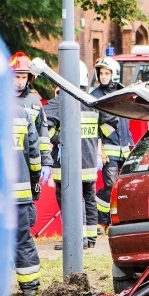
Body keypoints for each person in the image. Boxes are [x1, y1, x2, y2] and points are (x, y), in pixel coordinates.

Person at [43, 60, 100, 249]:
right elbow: (107, 126)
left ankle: (76, 240)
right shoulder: (93, 102)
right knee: (88, 198)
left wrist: (59, 138)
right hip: (89, 161)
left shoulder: (60, 102)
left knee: (70, 200)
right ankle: (90, 238)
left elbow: (43, 127)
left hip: (67, 164)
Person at [10, 52, 53, 230]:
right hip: (9, 161)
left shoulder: (34, 103)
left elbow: (42, 134)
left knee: (26, 210)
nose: (20, 81)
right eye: (17, 77)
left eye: (23, 77)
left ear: (29, 78)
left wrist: (46, 162)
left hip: (29, 164)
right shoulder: (0, 99)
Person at [90, 57, 133, 234]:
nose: (103, 76)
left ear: (114, 74)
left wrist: (130, 144)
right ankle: (100, 222)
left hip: (125, 150)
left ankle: (116, 222)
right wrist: (99, 150)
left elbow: (126, 123)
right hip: (108, 151)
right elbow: (94, 126)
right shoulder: (95, 95)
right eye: (101, 73)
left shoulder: (122, 93)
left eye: (107, 73)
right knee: (110, 185)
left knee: (123, 187)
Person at [12, 104, 42, 296]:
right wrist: (34, 182)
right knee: (23, 239)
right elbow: (34, 156)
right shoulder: (22, 113)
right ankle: (30, 286)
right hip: (20, 192)